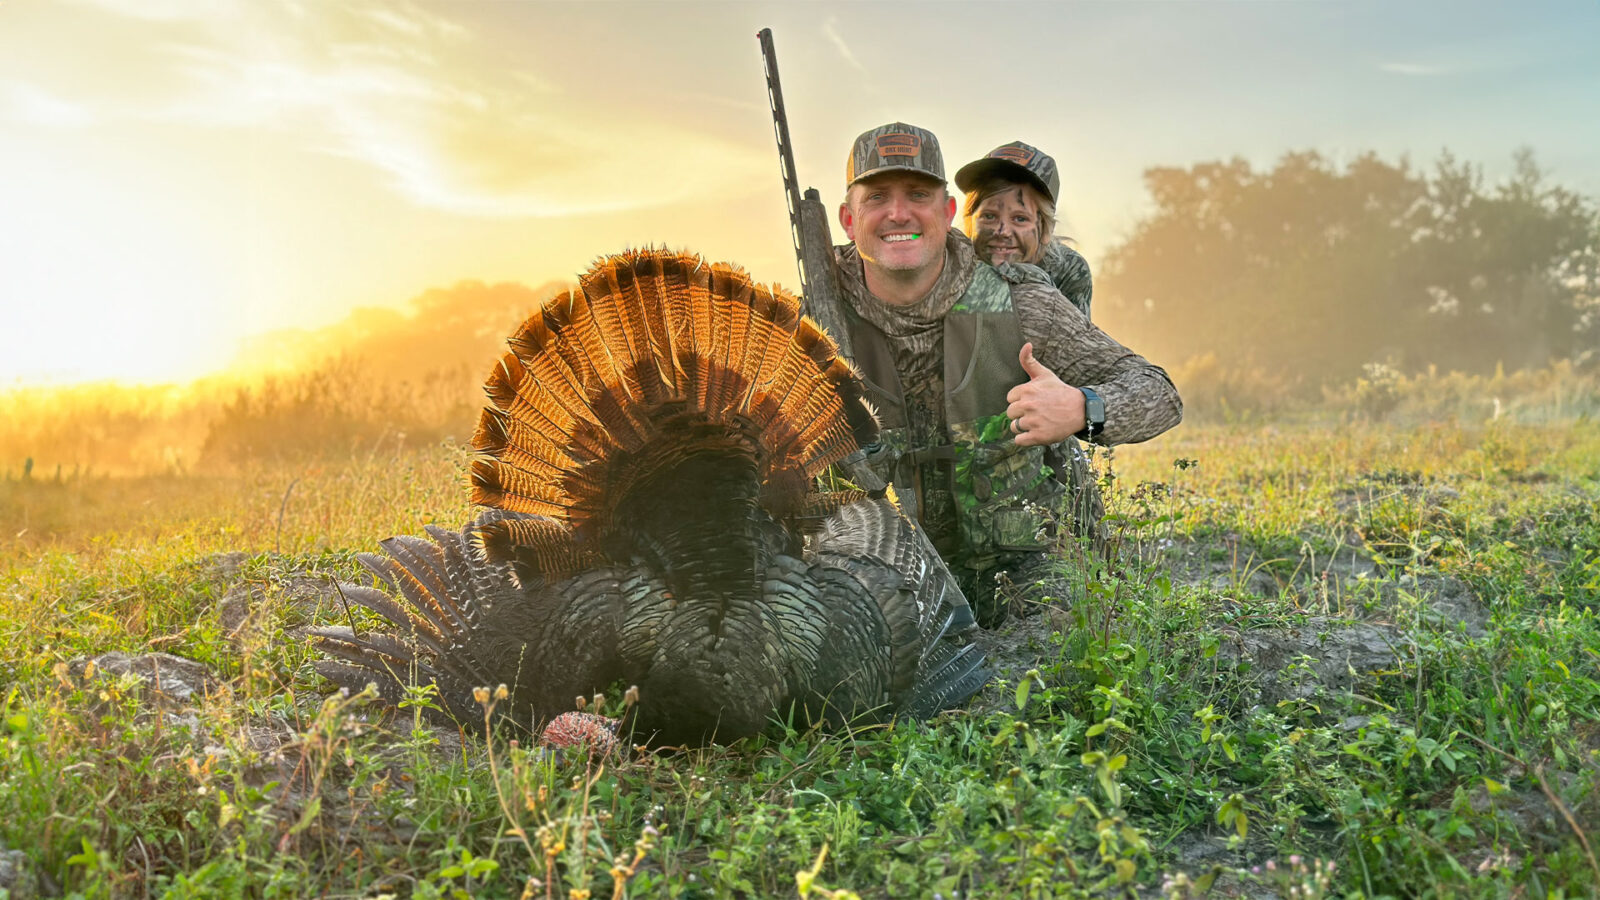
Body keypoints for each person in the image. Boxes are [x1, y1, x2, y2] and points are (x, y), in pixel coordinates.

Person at [822, 122, 1182, 625]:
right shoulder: (807, 318)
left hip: (1015, 569)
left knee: (1066, 633)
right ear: (847, 218)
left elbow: (1159, 393)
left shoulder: (1021, 296)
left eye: (918, 195)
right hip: (880, 577)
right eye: (877, 196)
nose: (898, 213)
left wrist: (1081, 409)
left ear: (947, 211)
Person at [955, 140, 1092, 319]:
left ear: (1046, 231)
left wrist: (1031, 282)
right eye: (989, 216)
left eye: (1020, 218)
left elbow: (1077, 340)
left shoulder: (1069, 270)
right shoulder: (949, 260)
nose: (1002, 231)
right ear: (970, 221)